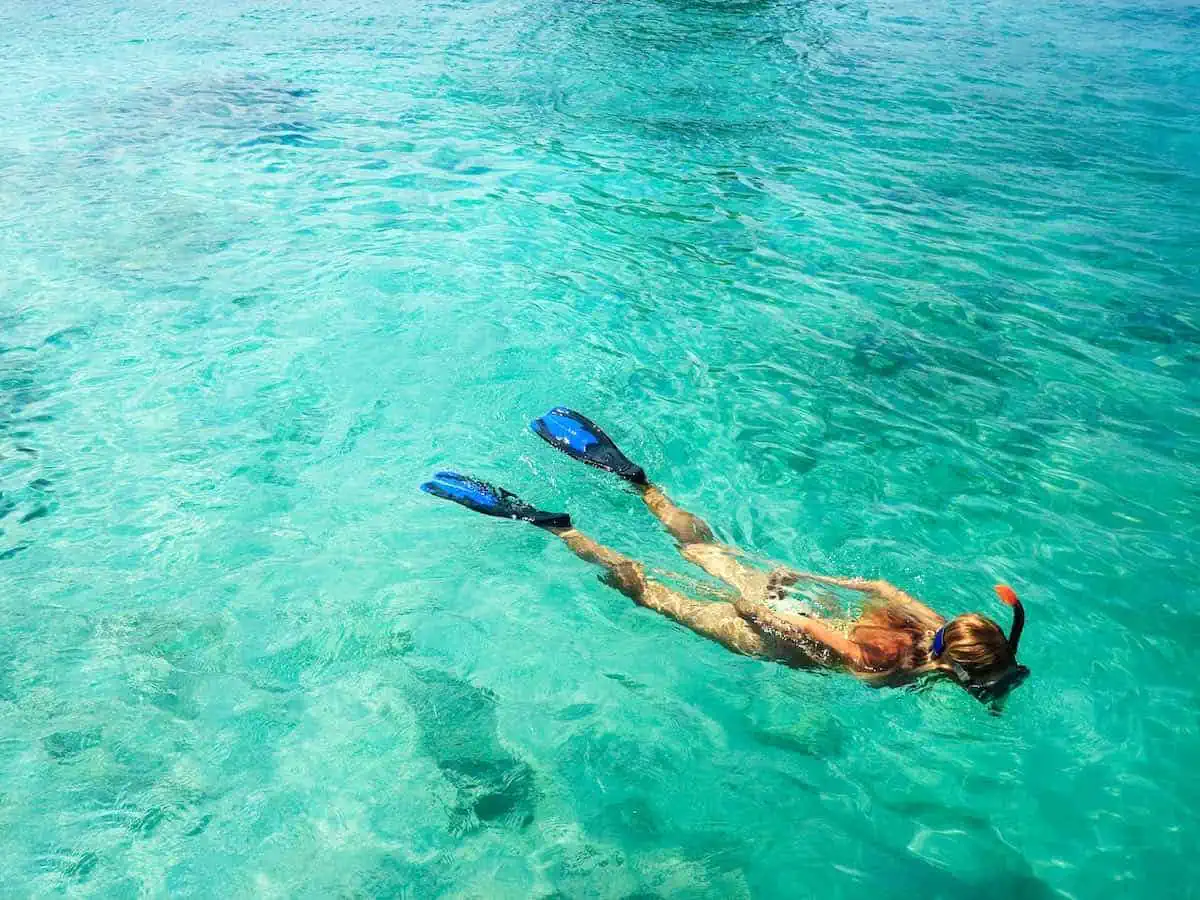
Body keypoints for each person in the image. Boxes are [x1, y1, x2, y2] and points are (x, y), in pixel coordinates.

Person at [422, 408, 1029, 704]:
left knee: (699, 544)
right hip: (766, 626)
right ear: (962, 668)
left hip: (790, 590)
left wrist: (790, 579)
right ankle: (552, 526)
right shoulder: (888, 666)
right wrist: (755, 613)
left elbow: (878, 583)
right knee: (649, 588)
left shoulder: (932, 623)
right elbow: (820, 638)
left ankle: (639, 484)